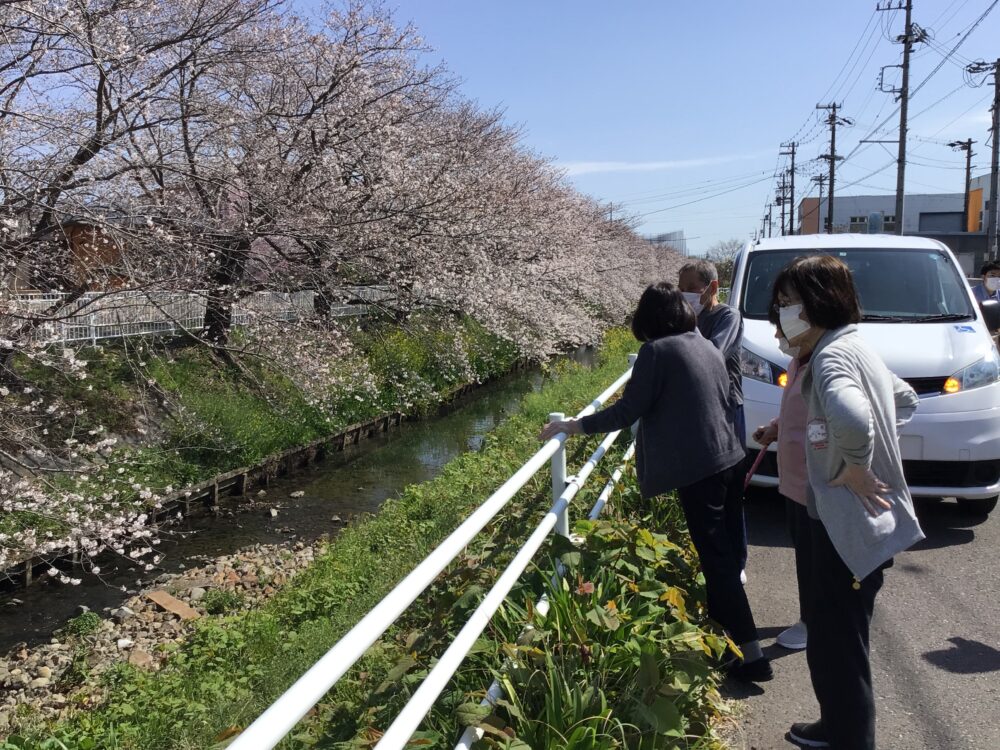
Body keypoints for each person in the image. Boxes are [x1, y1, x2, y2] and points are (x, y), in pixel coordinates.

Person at [538, 282, 772, 682]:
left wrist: (574, 426)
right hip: (730, 458)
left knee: (716, 560)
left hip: (700, 470)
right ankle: (725, 644)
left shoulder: (656, 352)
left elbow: (628, 411)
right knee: (726, 556)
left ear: (646, 320)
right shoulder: (701, 342)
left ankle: (752, 657)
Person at [768, 255, 923, 750]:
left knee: (838, 644)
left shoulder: (832, 357)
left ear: (819, 303)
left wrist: (857, 463)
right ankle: (837, 726)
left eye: (788, 304)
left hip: (845, 526)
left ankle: (849, 737)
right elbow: (903, 400)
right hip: (842, 519)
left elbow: (855, 417)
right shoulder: (852, 344)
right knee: (838, 637)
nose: (781, 314)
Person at [677, 260, 749, 581]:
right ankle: (715, 563)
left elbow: (713, 355)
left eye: (692, 289)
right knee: (704, 494)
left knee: (731, 493)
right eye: (682, 290)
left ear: (712, 287)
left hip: (727, 410)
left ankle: (738, 561)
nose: (686, 296)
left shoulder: (727, 317)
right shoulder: (687, 319)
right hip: (697, 414)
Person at [750, 316, 811, 653]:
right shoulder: (798, 361)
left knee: (814, 558)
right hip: (796, 480)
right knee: (805, 552)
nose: (775, 333)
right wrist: (775, 427)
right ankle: (813, 617)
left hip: (815, 484)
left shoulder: (825, 365)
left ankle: (813, 622)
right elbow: (797, 411)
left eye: (780, 326)